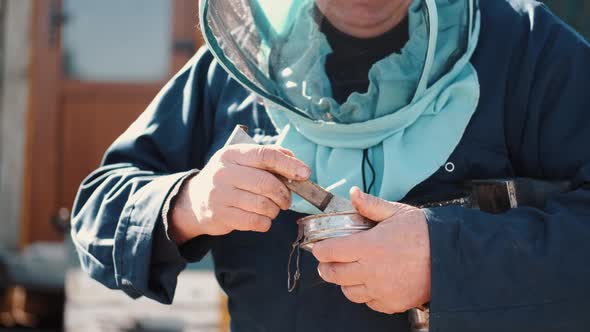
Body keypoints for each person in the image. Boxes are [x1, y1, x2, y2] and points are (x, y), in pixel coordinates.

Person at [71, 0, 590, 331]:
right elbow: (99, 208)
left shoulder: (524, 46)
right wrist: (188, 203)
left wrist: (448, 260)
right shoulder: (236, 63)